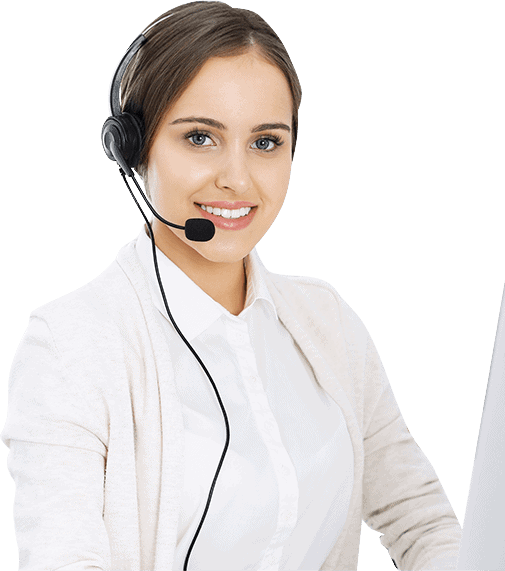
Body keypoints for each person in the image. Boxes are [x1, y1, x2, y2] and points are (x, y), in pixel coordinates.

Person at [0, 2, 462, 570]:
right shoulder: (71, 344)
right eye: (200, 137)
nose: (237, 179)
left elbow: (424, 520)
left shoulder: (327, 319)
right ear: (133, 148)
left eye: (265, 142)